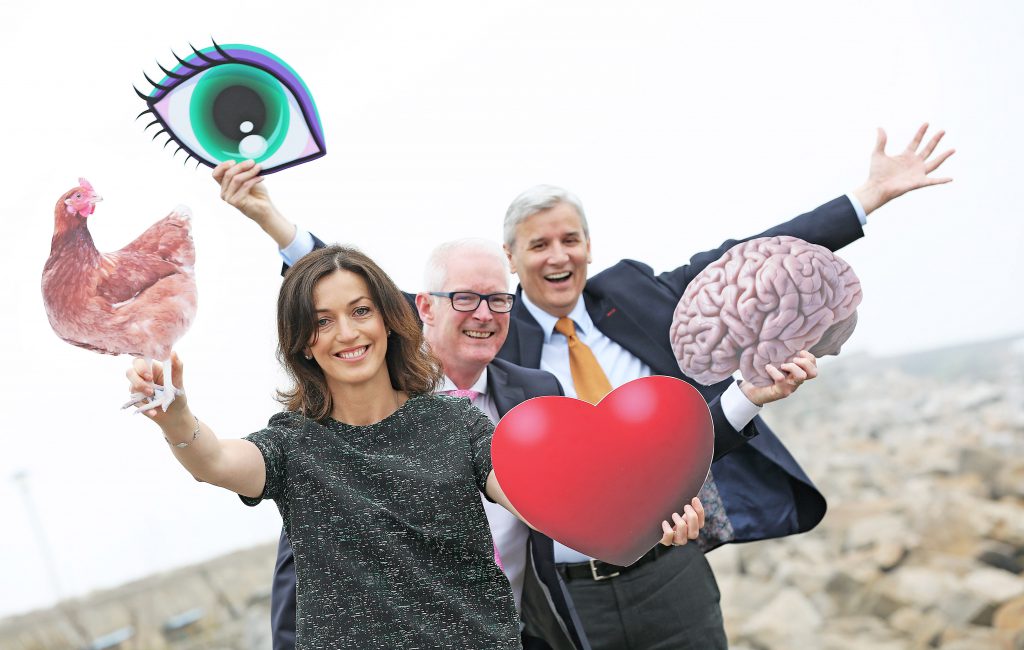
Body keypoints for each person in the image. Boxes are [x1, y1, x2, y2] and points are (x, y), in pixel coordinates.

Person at [212, 123, 952, 648]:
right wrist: (275, 223)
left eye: (571, 239)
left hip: (669, 570)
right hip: (564, 604)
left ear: (590, 247)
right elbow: (353, 302)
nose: (557, 256)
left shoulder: (629, 299)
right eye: (538, 246)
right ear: (511, 261)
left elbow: (745, 260)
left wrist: (864, 201)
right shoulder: (491, 338)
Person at [126, 245, 701, 649]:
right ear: (302, 343)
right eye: (322, 322)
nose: (346, 334)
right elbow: (217, 462)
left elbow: (544, 502)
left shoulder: (456, 424)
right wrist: (176, 416)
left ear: (388, 319)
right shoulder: (293, 445)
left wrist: (650, 515)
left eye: (360, 312)